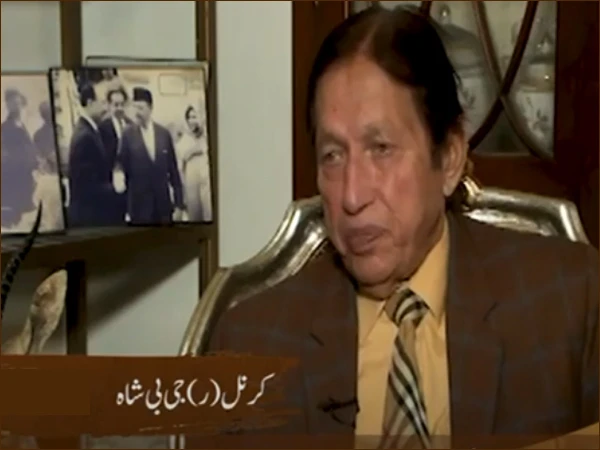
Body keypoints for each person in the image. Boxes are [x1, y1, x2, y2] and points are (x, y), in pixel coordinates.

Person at [206, 6, 599, 449]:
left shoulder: (568, 303)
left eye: (381, 148)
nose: (352, 196)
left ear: (449, 158)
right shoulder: (250, 342)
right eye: (332, 156)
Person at [119, 87, 184, 224]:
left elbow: (173, 171)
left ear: (150, 108)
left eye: (141, 108)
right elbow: (122, 169)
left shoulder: (163, 134)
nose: (137, 113)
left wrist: (179, 205)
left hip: (163, 207)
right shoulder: (127, 135)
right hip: (139, 209)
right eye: (135, 108)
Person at [67, 83, 118, 227]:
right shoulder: (85, 136)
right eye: (102, 103)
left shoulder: (89, 130)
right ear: (90, 103)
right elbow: (87, 187)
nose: (106, 108)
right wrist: (117, 187)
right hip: (89, 217)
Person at [1, 88, 38, 228]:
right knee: (13, 216)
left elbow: (29, 148)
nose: (17, 107)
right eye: (12, 103)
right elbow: (6, 154)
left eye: (18, 103)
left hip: (25, 175)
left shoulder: (23, 126)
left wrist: (35, 163)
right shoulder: (5, 128)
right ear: (8, 105)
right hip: (13, 177)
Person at [99, 86, 133, 223]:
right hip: (111, 183)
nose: (119, 108)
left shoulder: (131, 125)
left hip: (130, 183)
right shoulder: (102, 128)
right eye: (116, 105)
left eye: (122, 104)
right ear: (109, 106)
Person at [174, 105, 212, 222]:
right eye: (189, 118)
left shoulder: (207, 137)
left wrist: (196, 150)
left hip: (206, 184)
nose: (192, 121)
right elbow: (181, 165)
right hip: (191, 186)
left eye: (194, 117)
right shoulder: (183, 141)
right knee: (195, 216)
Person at [33, 101, 58, 174]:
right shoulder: (38, 135)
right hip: (48, 172)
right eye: (46, 113)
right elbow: (38, 156)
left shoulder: (60, 129)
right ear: (42, 115)